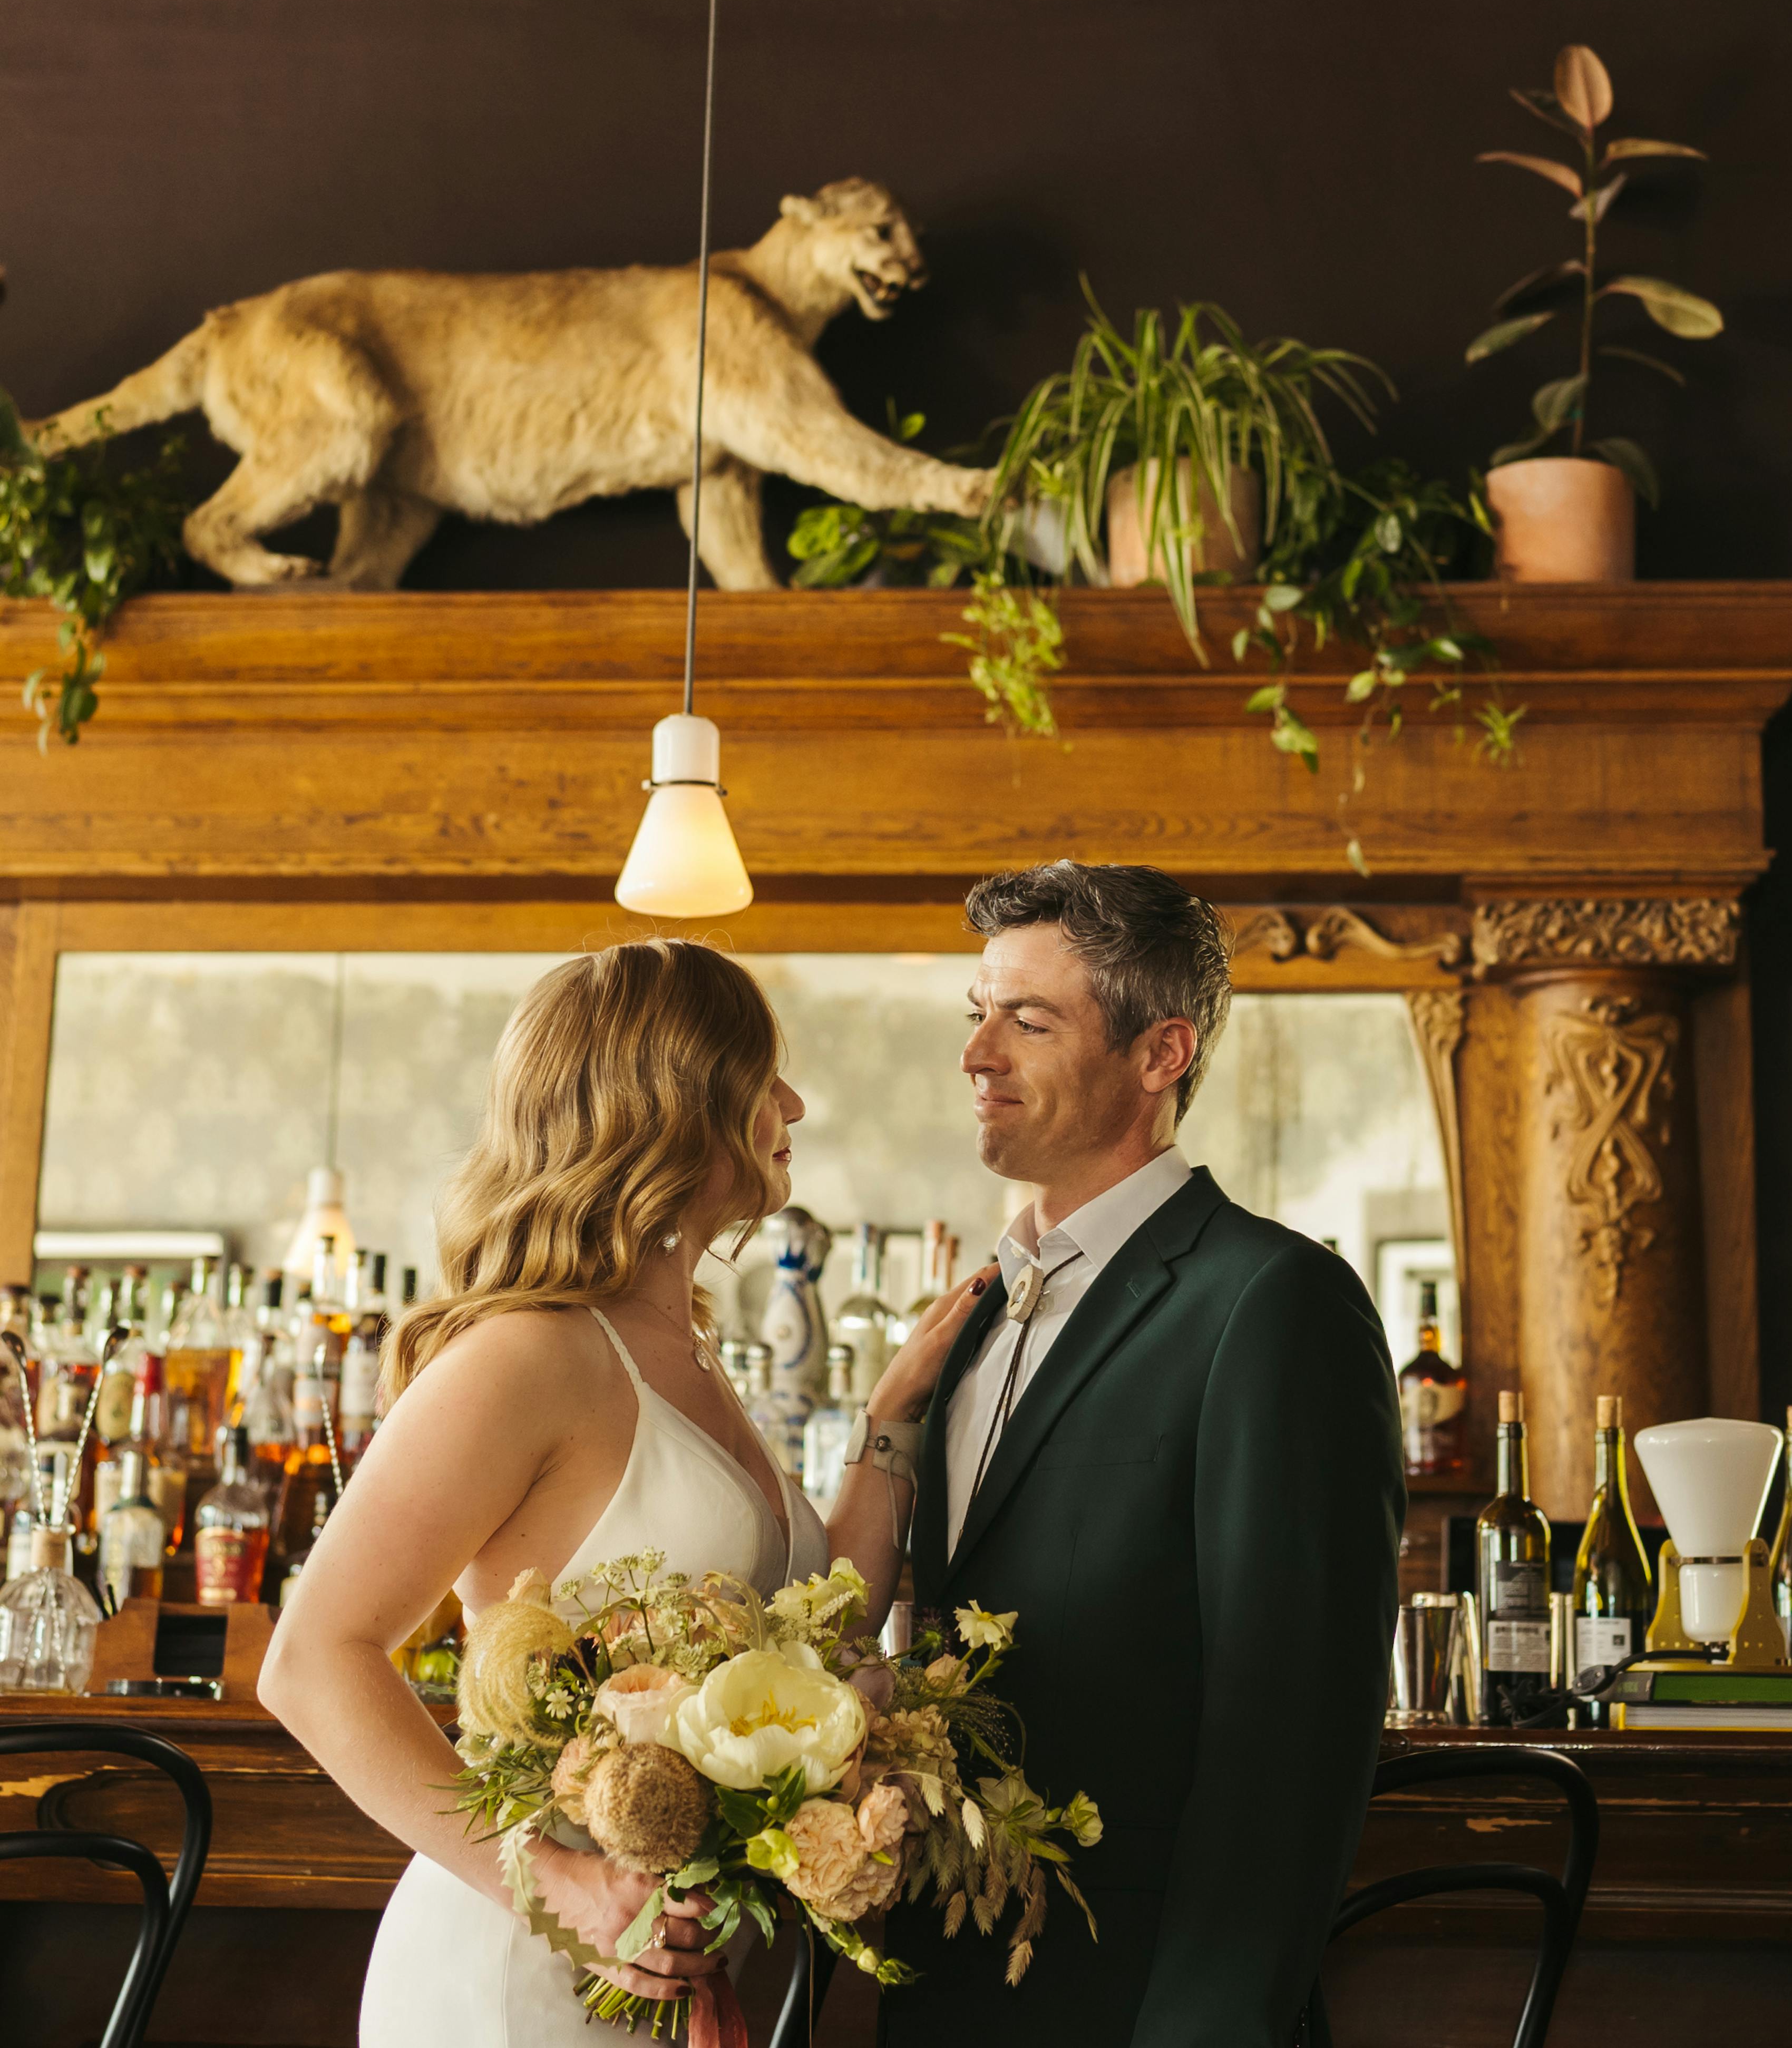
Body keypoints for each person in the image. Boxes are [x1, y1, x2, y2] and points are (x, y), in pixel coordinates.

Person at [259, 940, 982, 2046]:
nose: (792, 1101)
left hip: (664, 1966)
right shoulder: (528, 1356)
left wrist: (891, 1420)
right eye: (763, 1074)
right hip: (516, 1972)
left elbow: (817, 1627)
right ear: (677, 1101)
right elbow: (311, 1660)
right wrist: (554, 1883)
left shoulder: (683, 1352)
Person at [882, 861, 1404, 2048]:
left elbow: (1292, 1739)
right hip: (950, 1994)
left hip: (1138, 2006)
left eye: (1027, 1020)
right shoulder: (970, 1319)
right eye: (976, 1014)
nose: (976, 1054)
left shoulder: (1272, 1303)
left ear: (1160, 1054)